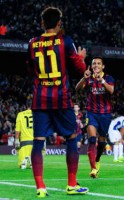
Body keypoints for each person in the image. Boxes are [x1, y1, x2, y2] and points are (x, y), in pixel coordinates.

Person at [27, 6, 89, 197]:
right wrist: (81, 57)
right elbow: (80, 68)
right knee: (71, 138)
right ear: (59, 23)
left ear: (43, 23)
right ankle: (71, 184)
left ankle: (40, 187)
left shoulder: (32, 43)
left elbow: (30, 70)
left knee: (38, 142)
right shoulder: (65, 41)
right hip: (61, 98)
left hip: (40, 99)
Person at [75, 56, 115, 178]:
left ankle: (97, 159)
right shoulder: (88, 78)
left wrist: (102, 80)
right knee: (92, 139)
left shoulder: (108, 78)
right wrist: (83, 78)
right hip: (91, 112)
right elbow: (77, 89)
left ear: (103, 66)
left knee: (102, 140)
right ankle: (93, 168)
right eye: (94, 64)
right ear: (91, 66)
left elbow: (111, 90)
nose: (96, 65)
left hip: (105, 114)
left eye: (98, 63)